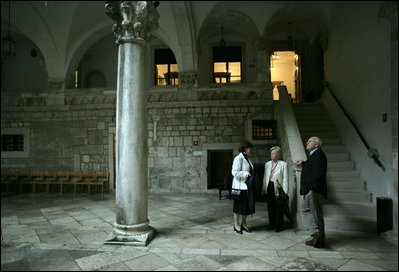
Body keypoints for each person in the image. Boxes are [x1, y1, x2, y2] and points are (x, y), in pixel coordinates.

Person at [296, 136, 327, 248]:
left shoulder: (319, 155)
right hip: (308, 189)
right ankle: (316, 234)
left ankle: (319, 237)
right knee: (305, 209)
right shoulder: (314, 155)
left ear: (316, 144)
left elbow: (319, 174)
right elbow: (312, 168)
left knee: (315, 213)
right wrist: (304, 163)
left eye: (309, 141)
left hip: (312, 189)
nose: (307, 142)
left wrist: (312, 189)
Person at [262, 146, 288, 232]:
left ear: (278, 155)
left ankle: (279, 226)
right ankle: (271, 224)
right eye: (271, 153)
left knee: (279, 207)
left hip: (278, 186)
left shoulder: (283, 164)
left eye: (274, 153)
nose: (272, 155)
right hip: (269, 186)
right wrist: (263, 189)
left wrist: (285, 191)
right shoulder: (267, 164)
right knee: (270, 206)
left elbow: (285, 178)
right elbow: (265, 177)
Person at [231, 140, 254, 234]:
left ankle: (244, 224)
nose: (251, 150)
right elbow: (234, 172)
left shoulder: (247, 158)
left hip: (246, 186)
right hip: (239, 187)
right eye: (250, 148)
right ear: (245, 148)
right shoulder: (238, 158)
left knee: (246, 207)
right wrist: (246, 174)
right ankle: (236, 225)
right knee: (238, 207)